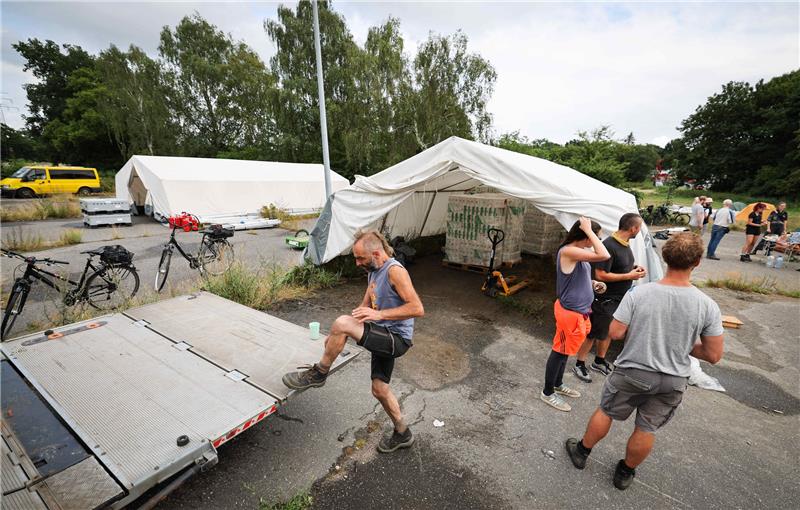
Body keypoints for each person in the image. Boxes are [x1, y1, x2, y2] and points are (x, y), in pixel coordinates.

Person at [565, 233, 724, 490]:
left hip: (633, 371)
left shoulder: (639, 293)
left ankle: (582, 452)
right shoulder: (707, 305)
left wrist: (643, 332)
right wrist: (680, 344)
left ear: (665, 257)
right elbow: (714, 355)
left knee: (607, 411)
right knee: (646, 427)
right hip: (672, 380)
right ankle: (625, 472)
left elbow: (615, 332)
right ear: (697, 262)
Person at [282, 229, 424, 453]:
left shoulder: (395, 271)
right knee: (379, 389)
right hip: (382, 334)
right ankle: (402, 432)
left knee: (342, 323)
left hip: (397, 339)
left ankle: (319, 373)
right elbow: (363, 309)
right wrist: (338, 334)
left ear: (376, 253)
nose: (357, 263)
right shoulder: (373, 271)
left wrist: (377, 316)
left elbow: (417, 308)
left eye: (360, 258)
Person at [541, 217, 610, 412]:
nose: (598, 240)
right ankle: (547, 392)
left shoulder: (580, 253)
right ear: (587, 236)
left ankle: (557, 384)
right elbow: (604, 254)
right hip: (569, 313)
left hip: (579, 313)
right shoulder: (568, 251)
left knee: (566, 351)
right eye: (596, 237)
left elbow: (579, 277)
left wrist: (593, 285)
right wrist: (589, 229)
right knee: (559, 352)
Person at [573, 213, 646, 383]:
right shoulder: (609, 245)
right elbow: (600, 274)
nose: (639, 231)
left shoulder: (625, 244)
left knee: (608, 332)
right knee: (593, 333)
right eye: (639, 227)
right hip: (604, 299)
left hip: (618, 299)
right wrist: (629, 275)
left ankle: (599, 361)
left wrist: (633, 268)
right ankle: (579, 363)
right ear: (633, 228)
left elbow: (619, 266)